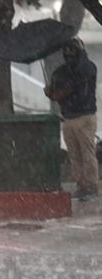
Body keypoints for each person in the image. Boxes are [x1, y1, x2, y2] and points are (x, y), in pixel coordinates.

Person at [44, 37, 98, 201]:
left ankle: (90, 187)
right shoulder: (70, 70)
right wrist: (50, 92)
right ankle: (83, 186)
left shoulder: (84, 69)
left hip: (82, 117)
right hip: (73, 117)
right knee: (76, 155)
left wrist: (53, 93)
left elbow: (63, 91)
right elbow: (56, 93)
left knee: (85, 154)